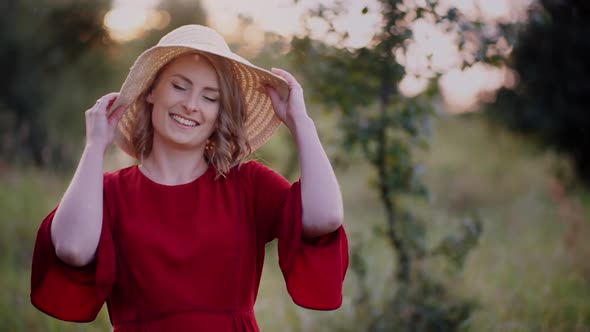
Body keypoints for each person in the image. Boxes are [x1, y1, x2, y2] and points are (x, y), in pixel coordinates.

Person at [30, 25, 348, 331]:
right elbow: (72, 249)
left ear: (220, 113)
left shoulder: (249, 185)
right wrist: (94, 146)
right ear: (151, 90)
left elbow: (326, 217)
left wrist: (300, 123)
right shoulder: (110, 192)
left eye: (210, 97)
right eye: (180, 86)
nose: (192, 105)